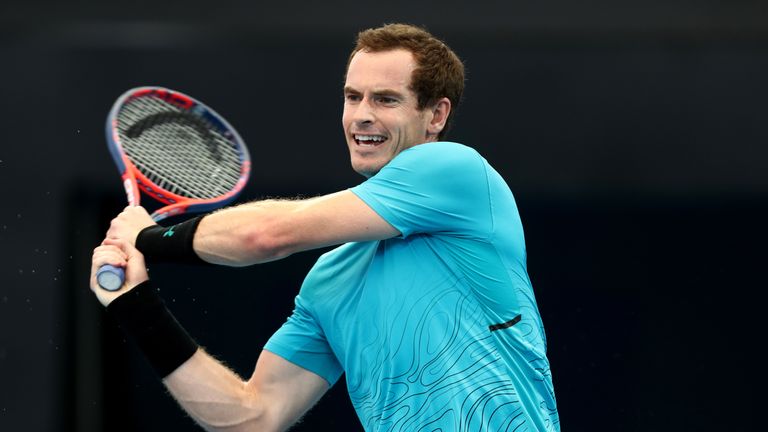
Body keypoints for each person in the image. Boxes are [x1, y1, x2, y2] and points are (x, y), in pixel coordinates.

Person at [91, 23, 560, 431]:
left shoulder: (454, 171)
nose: (361, 115)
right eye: (352, 96)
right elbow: (252, 418)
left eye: (386, 99)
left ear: (436, 115)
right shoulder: (330, 281)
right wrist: (135, 304)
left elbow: (265, 235)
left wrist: (145, 238)